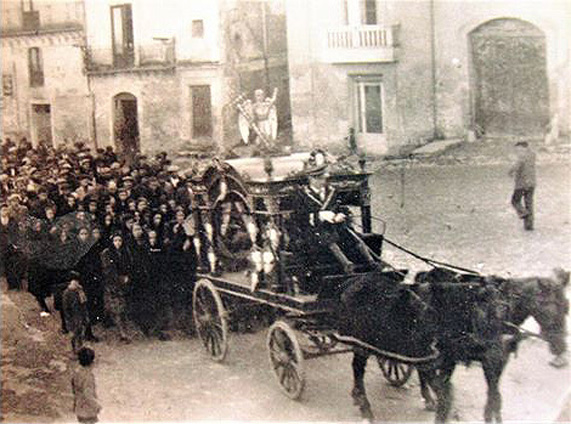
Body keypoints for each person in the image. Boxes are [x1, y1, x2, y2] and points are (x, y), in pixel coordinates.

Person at [509, 141, 536, 231]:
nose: (517, 151)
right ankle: (529, 226)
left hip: (521, 184)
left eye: (518, 149)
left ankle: (523, 212)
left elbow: (517, 166)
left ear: (523, 148)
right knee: (529, 203)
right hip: (532, 183)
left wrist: (510, 171)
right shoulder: (532, 155)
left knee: (515, 201)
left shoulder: (521, 156)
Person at [71, 347, 102, 424]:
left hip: (79, 406)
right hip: (88, 410)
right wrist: (96, 405)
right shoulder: (88, 376)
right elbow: (87, 394)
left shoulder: (77, 373)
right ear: (92, 362)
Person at [62, 272, 90, 353]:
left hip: (79, 314)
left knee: (80, 331)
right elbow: (66, 307)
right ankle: (74, 348)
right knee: (74, 334)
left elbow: (84, 303)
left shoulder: (79, 290)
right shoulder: (68, 292)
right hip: (73, 316)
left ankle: (79, 347)